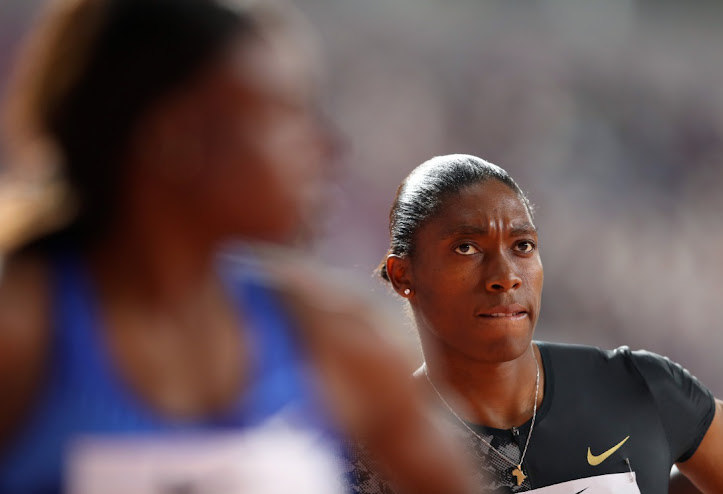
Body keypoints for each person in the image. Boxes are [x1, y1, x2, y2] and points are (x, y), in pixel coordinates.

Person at [0, 2, 470, 493]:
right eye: (285, 112)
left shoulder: (338, 345)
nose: (325, 146)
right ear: (175, 135)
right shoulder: (21, 340)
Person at [349, 154, 723, 494]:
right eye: (467, 248)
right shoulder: (365, 459)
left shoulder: (641, 388)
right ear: (404, 275)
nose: (505, 275)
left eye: (522, 246)